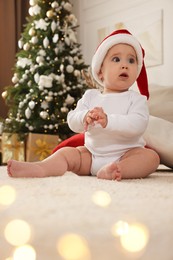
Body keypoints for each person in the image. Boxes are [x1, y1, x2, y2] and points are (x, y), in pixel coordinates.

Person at [7, 29, 160, 180]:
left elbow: (138, 124)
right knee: (67, 153)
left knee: (151, 157)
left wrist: (109, 121)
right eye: (116, 59)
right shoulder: (91, 96)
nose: (125, 65)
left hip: (126, 154)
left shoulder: (136, 99)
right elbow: (72, 120)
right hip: (91, 156)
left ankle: (118, 170)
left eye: (131, 60)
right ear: (100, 71)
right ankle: (41, 167)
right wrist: (84, 117)